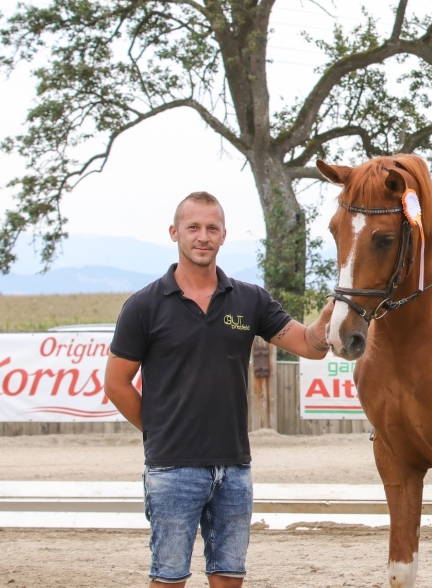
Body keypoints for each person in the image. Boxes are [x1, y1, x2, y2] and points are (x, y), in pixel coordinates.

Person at [104, 191, 333, 588]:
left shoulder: (249, 300)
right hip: (172, 468)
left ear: (224, 235)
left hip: (234, 468)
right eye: (193, 227)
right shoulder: (144, 306)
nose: (202, 236)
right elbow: (116, 383)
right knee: (169, 578)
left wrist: (329, 319)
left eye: (212, 228)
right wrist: (157, 431)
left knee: (229, 578)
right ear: (175, 232)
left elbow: (308, 346)